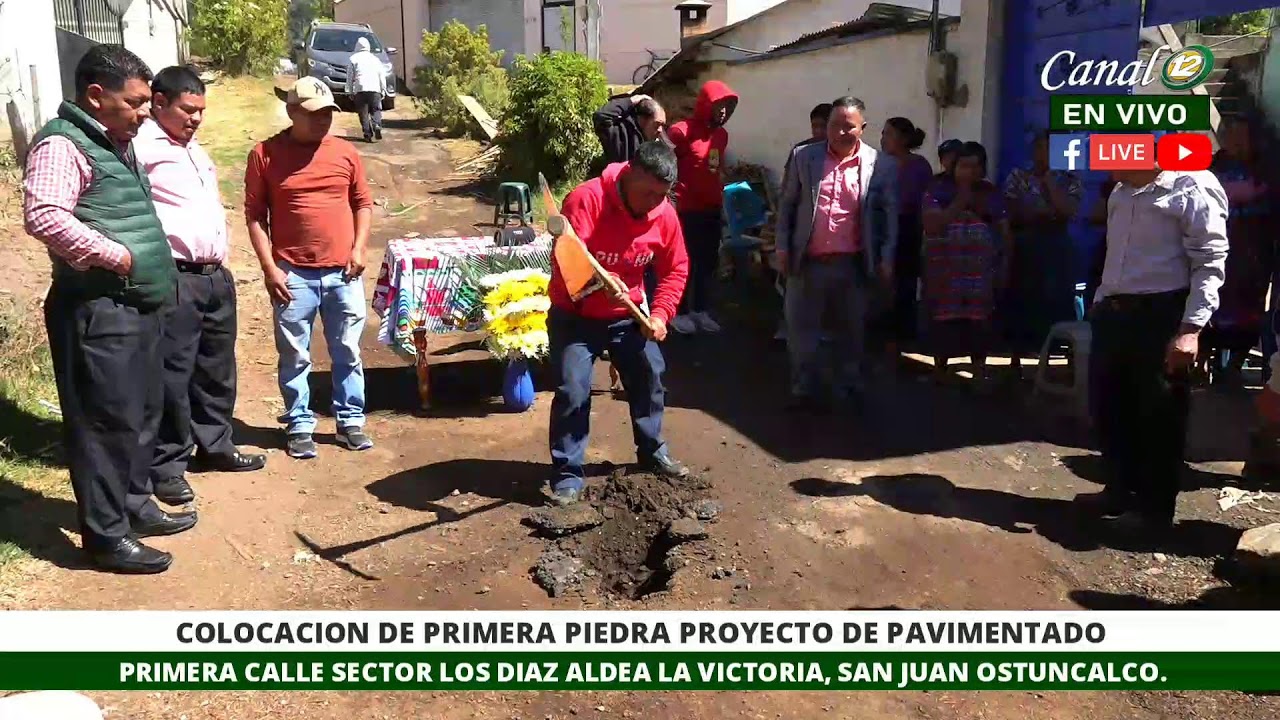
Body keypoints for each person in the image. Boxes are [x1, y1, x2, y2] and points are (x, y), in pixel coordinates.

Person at [23, 45, 192, 575]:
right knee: (103, 423)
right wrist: (116, 256)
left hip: (133, 307)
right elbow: (44, 215)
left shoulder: (114, 141)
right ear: (96, 96)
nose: (146, 112)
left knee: (142, 413)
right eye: (135, 102)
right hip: (96, 308)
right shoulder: (62, 144)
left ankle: (135, 504)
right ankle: (106, 536)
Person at [135, 66, 267, 508]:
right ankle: (168, 466)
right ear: (159, 103)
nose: (196, 118)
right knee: (174, 373)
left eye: (201, 111)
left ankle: (216, 445)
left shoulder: (194, 149)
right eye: (187, 110)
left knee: (216, 367)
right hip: (176, 276)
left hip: (214, 276)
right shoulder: (140, 147)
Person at [1083, 162, 1228, 534]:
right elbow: (1115, 256)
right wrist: (1101, 301)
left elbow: (1210, 261)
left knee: (1159, 417)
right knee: (1110, 407)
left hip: (1162, 315)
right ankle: (1119, 491)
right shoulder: (1119, 192)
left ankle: (1153, 514)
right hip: (1115, 312)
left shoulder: (1191, 186)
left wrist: (1190, 329)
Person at [547, 141, 691, 505]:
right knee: (573, 390)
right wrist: (599, 282)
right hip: (575, 317)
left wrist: (660, 313)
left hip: (628, 315)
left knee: (649, 376)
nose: (654, 203)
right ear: (629, 174)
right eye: (647, 193)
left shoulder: (665, 214)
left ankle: (652, 450)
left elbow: (675, 268)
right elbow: (567, 265)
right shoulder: (586, 200)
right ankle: (567, 474)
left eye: (662, 195)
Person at [244, 77, 375, 460]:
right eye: (314, 114)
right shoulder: (265, 154)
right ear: (292, 112)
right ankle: (300, 424)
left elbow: (362, 203)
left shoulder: (346, 153)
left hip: (343, 272)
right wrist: (270, 268)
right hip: (292, 273)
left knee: (348, 349)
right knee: (295, 354)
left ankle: (351, 420)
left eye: (328, 113)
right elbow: (255, 216)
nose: (323, 121)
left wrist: (359, 247)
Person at [775, 96, 899, 410]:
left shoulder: (880, 164)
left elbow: (889, 215)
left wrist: (886, 257)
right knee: (802, 329)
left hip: (854, 263)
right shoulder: (804, 157)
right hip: (809, 260)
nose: (840, 133)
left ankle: (848, 384)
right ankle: (804, 386)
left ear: (863, 128)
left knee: (852, 329)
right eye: (834, 125)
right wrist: (782, 246)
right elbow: (788, 204)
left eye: (848, 127)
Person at [919, 142, 1011, 384]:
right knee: (942, 320)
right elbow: (932, 225)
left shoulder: (991, 194)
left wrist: (1004, 265)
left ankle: (978, 370)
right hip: (944, 270)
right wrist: (962, 199)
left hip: (980, 274)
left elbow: (1004, 232)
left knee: (979, 322)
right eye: (964, 166)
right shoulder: (937, 189)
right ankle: (940, 369)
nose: (969, 172)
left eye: (975, 167)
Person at [1002, 131, 1083, 363]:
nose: (1042, 154)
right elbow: (1013, 210)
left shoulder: (1069, 178)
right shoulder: (1019, 176)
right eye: (1039, 148)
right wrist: (1047, 214)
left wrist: (1049, 184)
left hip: (1056, 245)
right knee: (1021, 300)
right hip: (1025, 245)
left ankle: (1058, 358)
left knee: (1058, 299)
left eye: (1048, 149)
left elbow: (1067, 211)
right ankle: (1016, 361)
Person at [1205, 117, 1273, 387]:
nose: (1239, 143)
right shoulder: (1211, 166)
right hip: (1216, 251)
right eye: (1233, 137)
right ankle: (1209, 366)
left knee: (1250, 312)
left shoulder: (1264, 168)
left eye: (1243, 137)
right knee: (1212, 309)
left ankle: (1233, 367)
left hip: (1253, 253)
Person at [667, 80, 738, 335]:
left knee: (707, 263)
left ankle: (701, 310)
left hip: (711, 209)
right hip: (685, 211)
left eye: (728, 107)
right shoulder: (680, 132)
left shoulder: (721, 136)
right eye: (718, 105)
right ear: (705, 104)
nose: (722, 111)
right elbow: (661, 163)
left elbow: (714, 167)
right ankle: (679, 312)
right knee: (684, 263)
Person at [876, 116, 934, 355]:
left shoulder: (918, 166)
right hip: (880, 227)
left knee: (905, 284)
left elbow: (923, 202)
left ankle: (901, 337)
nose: (883, 138)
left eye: (888, 133)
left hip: (908, 228)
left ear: (903, 138)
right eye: (883, 133)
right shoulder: (877, 164)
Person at [593, 93, 667, 167]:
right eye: (657, 124)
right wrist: (630, 101)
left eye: (662, 125)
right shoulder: (621, 134)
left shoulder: (655, 147)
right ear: (642, 119)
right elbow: (601, 116)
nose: (660, 130)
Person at [346, 37, 388, 143]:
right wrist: (383, 90)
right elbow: (381, 75)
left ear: (357, 46)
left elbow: (350, 77)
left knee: (363, 112)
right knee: (376, 110)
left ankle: (367, 134)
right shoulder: (375, 59)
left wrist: (350, 91)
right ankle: (377, 125)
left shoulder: (353, 59)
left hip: (360, 88)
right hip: (374, 88)